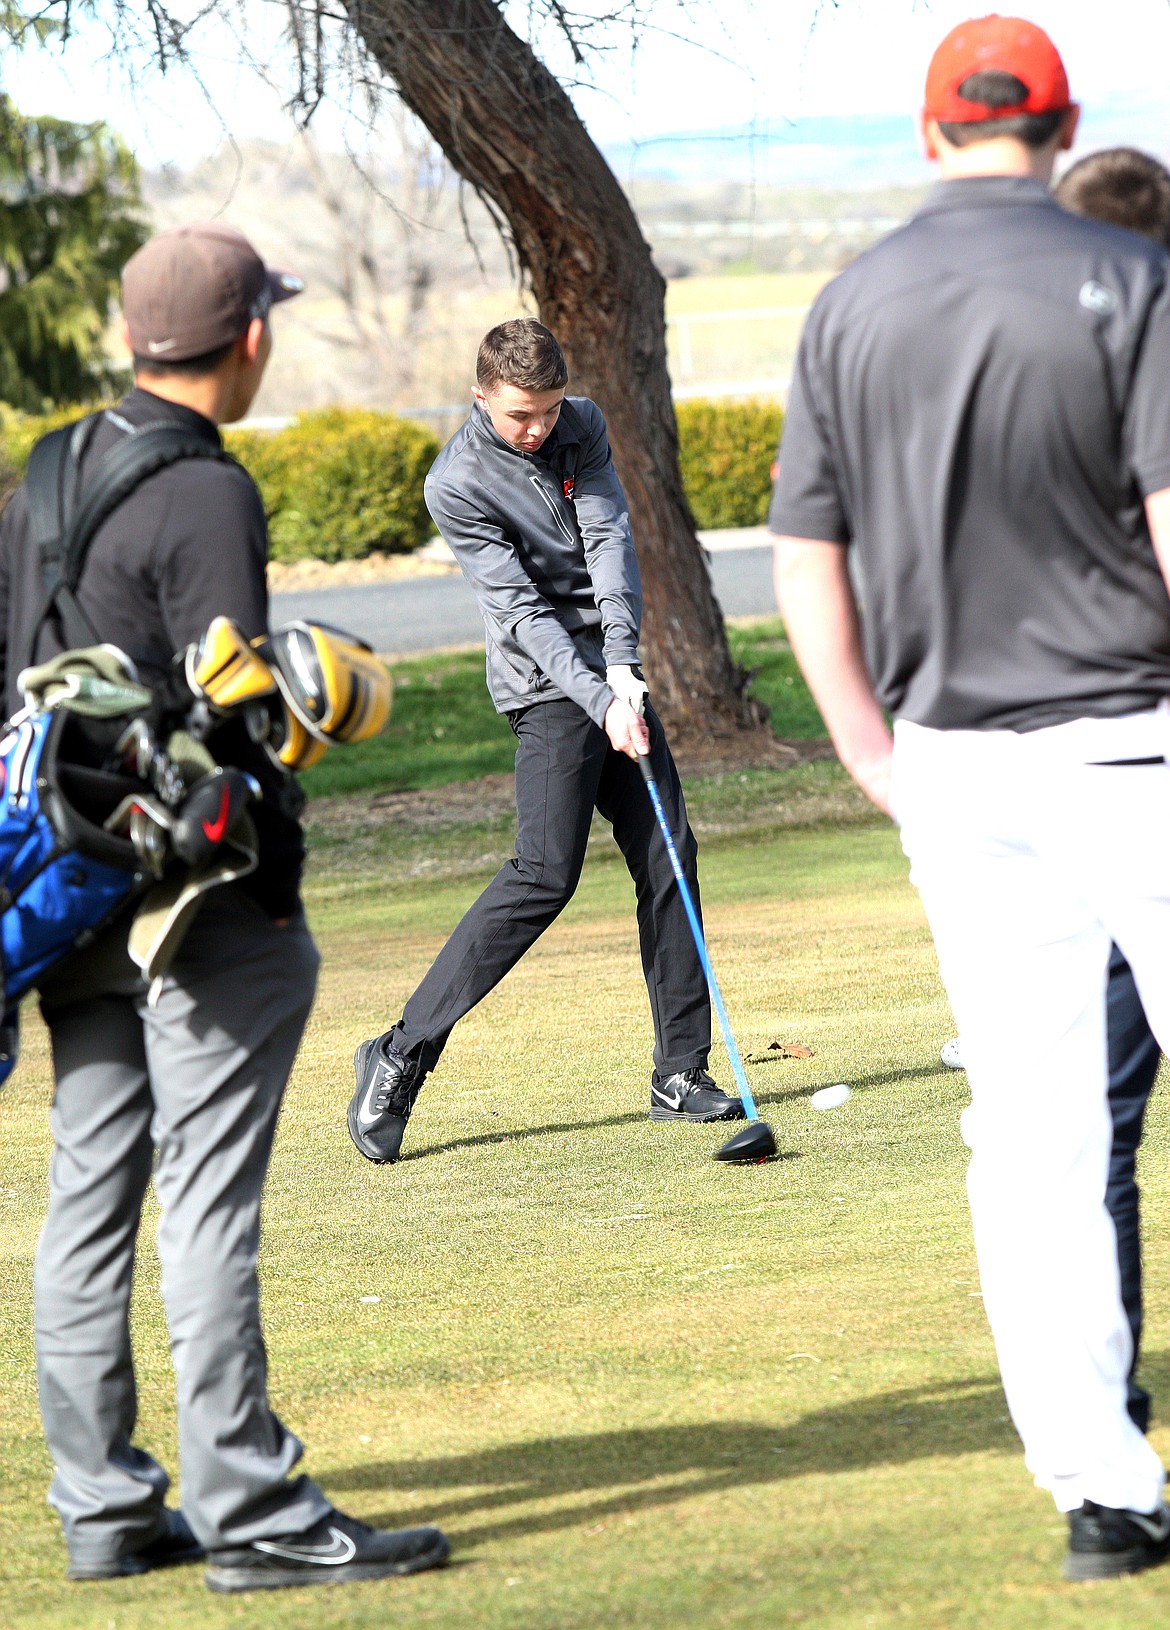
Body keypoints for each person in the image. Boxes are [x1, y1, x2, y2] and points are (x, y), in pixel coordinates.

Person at [769, 16, 1170, 1582]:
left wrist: (867, 747)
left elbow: (805, 555)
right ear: (1057, 128)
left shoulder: (846, 301)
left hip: (950, 762)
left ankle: (1100, 1489)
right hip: (1129, 735)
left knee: (1033, 1139)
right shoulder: (1125, 279)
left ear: (930, 133)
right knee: (1051, 1131)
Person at [0, 223, 448, 1592]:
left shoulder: (48, 464)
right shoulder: (205, 490)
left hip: (69, 884)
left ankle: (105, 1504)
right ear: (247, 335)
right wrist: (318, 716)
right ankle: (251, 1508)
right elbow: (229, 708)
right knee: (204, 1204)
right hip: (196, 909)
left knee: (89, 1192)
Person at [347, 318, 742, 1166]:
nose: (539, 429)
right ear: (482, 394)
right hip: (544, 684)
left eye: (549, 410)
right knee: (543, 873)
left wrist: (627, 671)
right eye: (522, 414)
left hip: (608, 671)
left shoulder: (583, 423)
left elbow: (609, 539)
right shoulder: (454, 483)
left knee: (669, 854)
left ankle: (680, 1073)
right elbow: (522, 614)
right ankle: (400, 1054)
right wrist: (598, 698)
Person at [939, 145, 1170, 1438]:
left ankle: (1103, 1396)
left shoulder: (993, 396)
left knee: (1091, 1119)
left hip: (1019, 781)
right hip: (1126, 771)